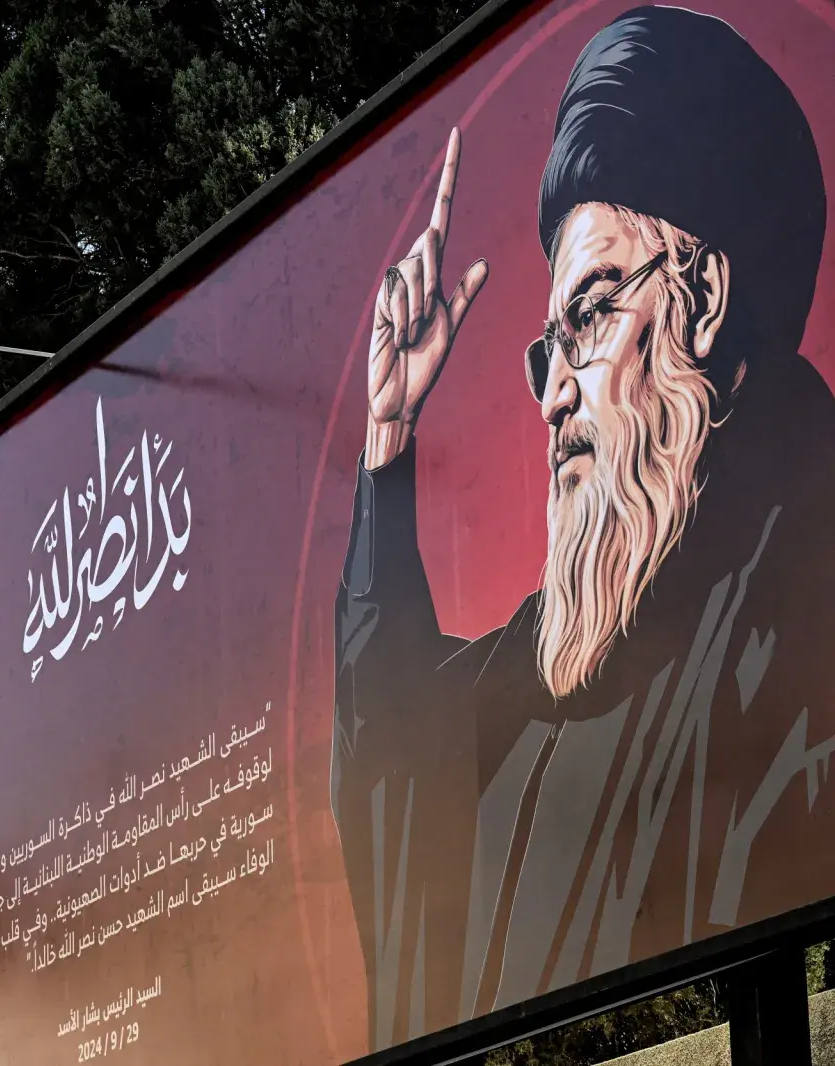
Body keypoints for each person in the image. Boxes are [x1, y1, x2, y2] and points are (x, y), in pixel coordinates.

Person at [332, 5, 835, 1049]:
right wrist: (386, 443)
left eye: (589, 313)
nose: (552, 390)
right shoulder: (559, 657)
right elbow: (398, 749)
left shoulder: (804, 585)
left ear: (699, 294)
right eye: (543, 348)